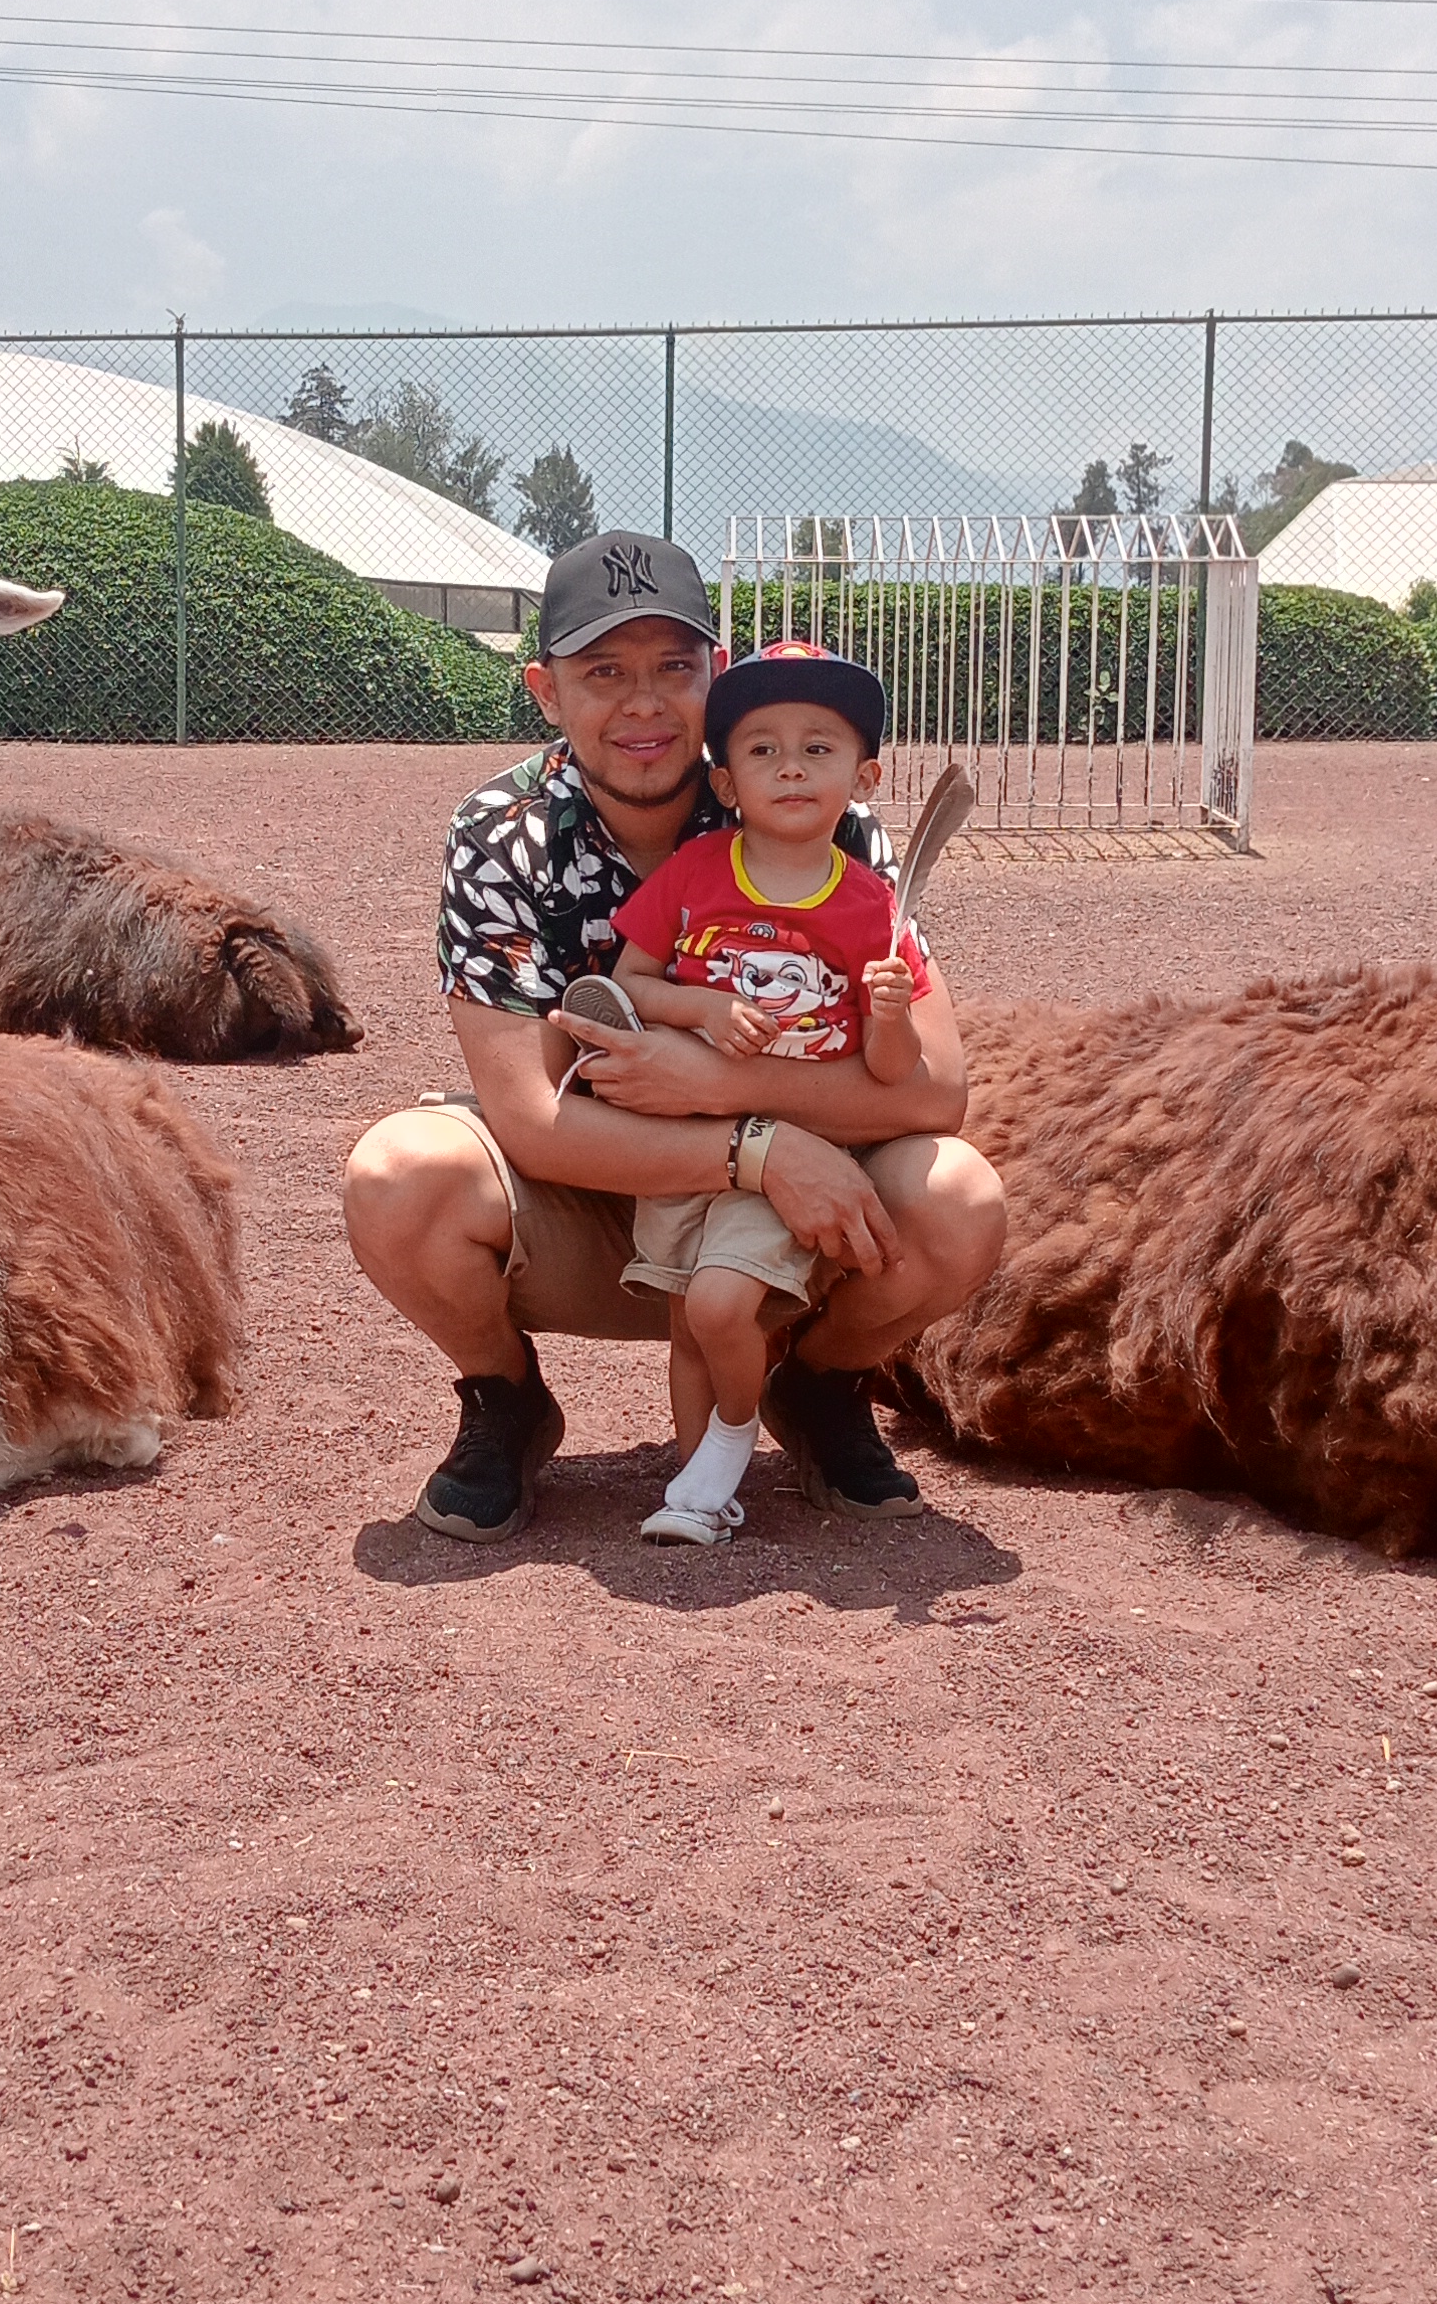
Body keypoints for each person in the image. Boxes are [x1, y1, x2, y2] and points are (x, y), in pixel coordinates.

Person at [342, 531, 1007, 1539]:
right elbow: (530, 1117)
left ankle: (818, 1385)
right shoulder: (501, 834)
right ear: (546, 690)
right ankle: (505, 1399)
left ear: (716, 674)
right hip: (596, 1192)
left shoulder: (812, 809)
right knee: (399, 1178)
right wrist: (759, 1151)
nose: (644, 703)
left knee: (959, 1200)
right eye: (604, 672)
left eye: (673, 667)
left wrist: (721, 1089)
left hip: (785, 1228)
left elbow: (934, 1091)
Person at [610, 641, 930, 1544]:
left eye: (818, 748)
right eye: (762, 749)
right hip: (689, 1141)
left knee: (719, 1303)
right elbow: (629, 985)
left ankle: (735, 1431)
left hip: (794, 1148)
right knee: (688, 1325)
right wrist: (703, 1008)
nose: (791, 766)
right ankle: (699, 1494)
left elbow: (894, 1072)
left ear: (863, 777)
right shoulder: (694, 874)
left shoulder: (873, 908)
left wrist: (893, 1014)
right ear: (724, 782)